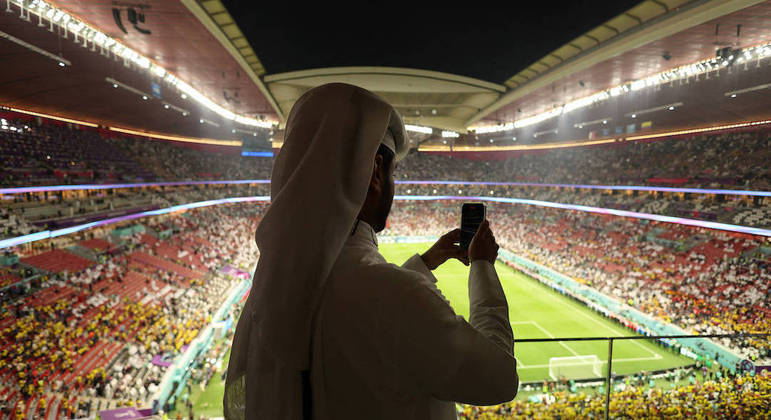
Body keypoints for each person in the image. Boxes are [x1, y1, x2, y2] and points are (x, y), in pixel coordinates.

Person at [224, 83, 517, 419]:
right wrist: (482, 266)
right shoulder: (389, 294)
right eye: (393, 172)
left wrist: (425, 263)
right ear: (375, 171)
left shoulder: (274, 290)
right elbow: (498, 378)